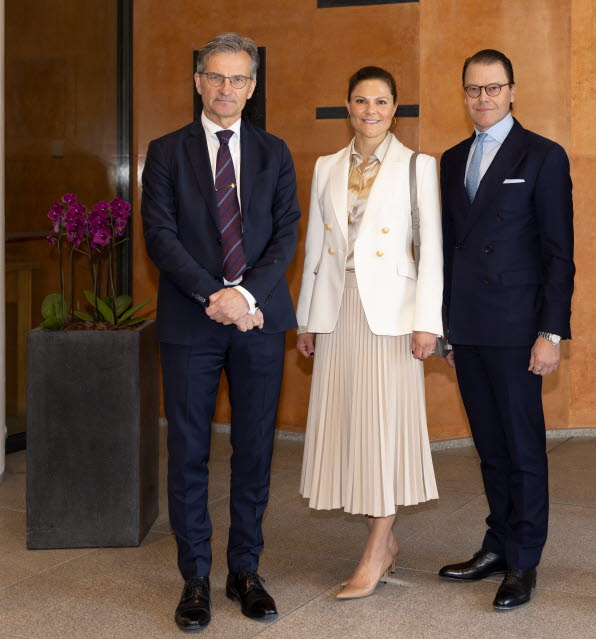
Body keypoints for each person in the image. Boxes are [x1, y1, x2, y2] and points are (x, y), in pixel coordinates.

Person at [141, 33, 300, 630]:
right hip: (190, 322)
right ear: (198, 82)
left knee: (255, 450)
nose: (226, 88)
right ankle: (195, 579)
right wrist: (216, 296)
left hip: (260, 323)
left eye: (238, 79)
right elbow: (159, 235)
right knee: (188, 452)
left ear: (252, 87)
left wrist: (247, 296)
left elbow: (286, 231)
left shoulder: (274, 151)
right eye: (216, 77)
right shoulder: (165, 152)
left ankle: (245, 571)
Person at [295, 66, 442, 600]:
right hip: (337, 311)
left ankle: (376, 550)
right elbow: (315, 248)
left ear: (395, 108)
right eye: (361, 101)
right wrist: (308, 318)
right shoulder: (325, 167)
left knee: (383, 430)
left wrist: (427, 322)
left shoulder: (416, 167)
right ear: (348, 107)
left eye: (381, 102)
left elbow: (431, 252)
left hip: (392, 316)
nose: (371, 111)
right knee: (351, 428)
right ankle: (386, 538)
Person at [437, 49, 574, 611]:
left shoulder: (542, 155)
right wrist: (442, 326)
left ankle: (524, 559)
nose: (483, 99)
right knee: (489, 447)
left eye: (493, 88)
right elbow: (445, 251)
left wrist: (552, 331)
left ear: (512, 91)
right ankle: (497, 541)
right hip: (467, 325)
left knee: (522, 449)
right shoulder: (449, 160)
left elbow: (558, 254)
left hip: (520, 328)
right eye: (473, 89)